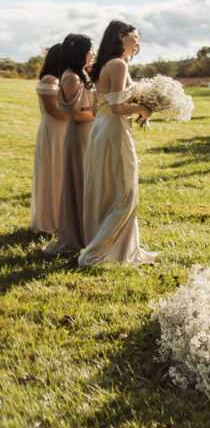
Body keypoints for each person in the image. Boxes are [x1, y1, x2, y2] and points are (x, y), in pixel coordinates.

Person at [79, 20, 157, 266]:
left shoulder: (103, 64)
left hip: (100, 130)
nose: (138, 43)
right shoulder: (118, 64)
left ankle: (120, 247)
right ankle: (100, 252)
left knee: (105, 191)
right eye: (135, 37)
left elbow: (96, 109)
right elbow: (116, 107)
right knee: (125, 191)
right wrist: (143, 108)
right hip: (114, 131)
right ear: (121, 36)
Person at [43, 34, 96, 255]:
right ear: (80, 51)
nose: (93, 53)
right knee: (80, 181)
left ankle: (90, 230)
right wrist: (101, 114)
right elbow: (74, 114)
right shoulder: (70, 77)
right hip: (80, 133)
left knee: (89, 181)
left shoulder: (81, 74)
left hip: (89, 132)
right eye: (90, 49)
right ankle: (78, 234)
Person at [30, 44, 67, 235]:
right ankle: (50, 220)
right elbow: (56, 112)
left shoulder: (65, 79)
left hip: (66, 130)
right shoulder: (50, 79)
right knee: (54, 172)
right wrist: (86, 115)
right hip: (54, 131)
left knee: (64, 173)